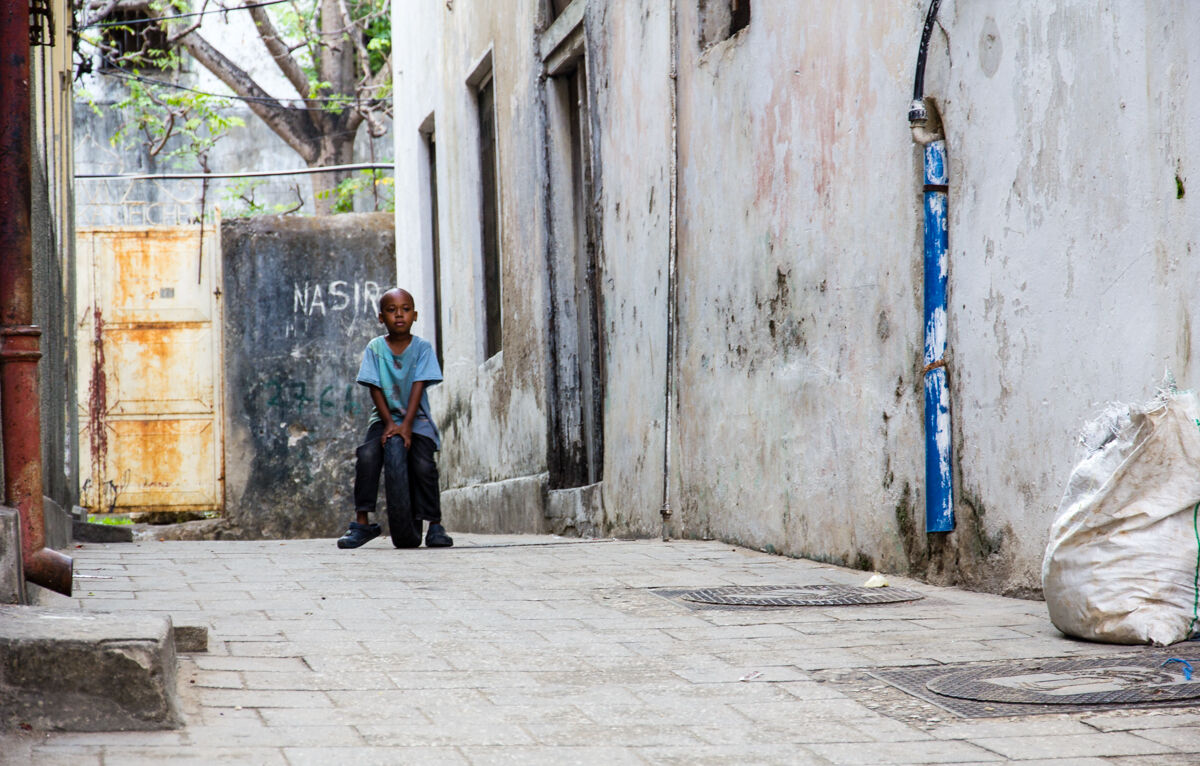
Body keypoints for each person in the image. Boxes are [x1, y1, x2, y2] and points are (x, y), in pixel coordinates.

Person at [337, 287, 454, 549]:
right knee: (367, 456)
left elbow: (418, 386)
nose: (399, 315)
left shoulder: (422, 348)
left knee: (424, 465)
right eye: (391, 310)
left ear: (415, 315)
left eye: (405, 309)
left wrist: (407, 426)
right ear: (381, 317)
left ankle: (434, 525)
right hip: (383, 417)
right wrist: (390, 423)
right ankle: (362, 523)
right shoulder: (375, 348)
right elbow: (374, 386)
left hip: (417, 417)